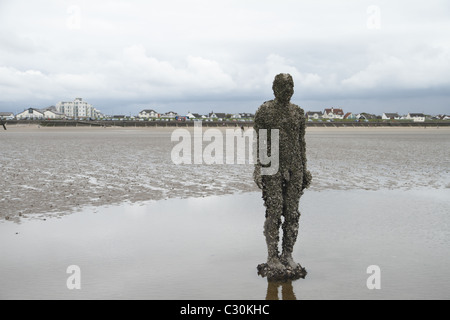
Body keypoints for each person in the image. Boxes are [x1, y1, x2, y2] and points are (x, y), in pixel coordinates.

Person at [254, 73, 312, 274]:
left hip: (295, 166)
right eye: (283, 86)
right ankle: (272, 256)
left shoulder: (298, 113)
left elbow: (301, 143)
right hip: (271, 165)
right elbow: (261, 141)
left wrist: (305, 170)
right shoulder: (265, 111)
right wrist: (258, 167)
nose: (288, 90)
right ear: (274, 88)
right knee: (275, 209)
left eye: (291, 87)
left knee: (292, 213)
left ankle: (287, 254)